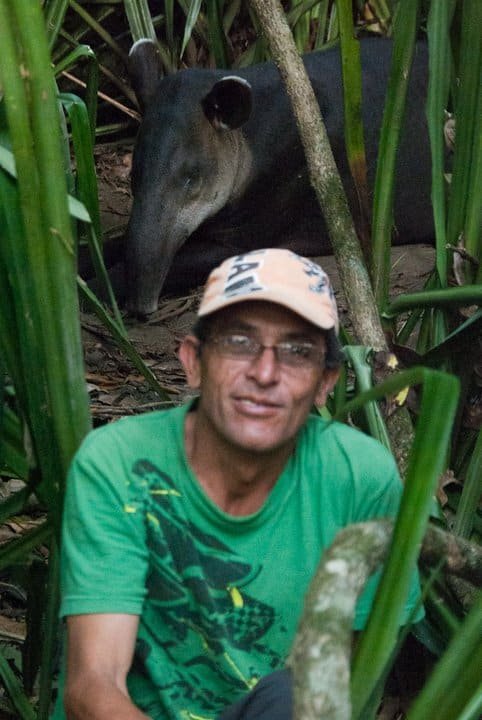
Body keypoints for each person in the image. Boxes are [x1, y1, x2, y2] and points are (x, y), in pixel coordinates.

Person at [52, 248, 422, 720]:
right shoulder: (119, 463)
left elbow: (347, 680)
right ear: (193, 362)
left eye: (296, 352)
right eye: (239, 343)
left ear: (325, 381)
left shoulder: (359, 478)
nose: (265, 374)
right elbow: (93, 685)